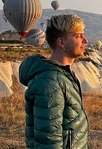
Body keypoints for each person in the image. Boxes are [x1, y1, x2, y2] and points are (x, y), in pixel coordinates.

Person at [19, 14, 89, 148]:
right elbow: (48, 138)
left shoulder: (62, 75)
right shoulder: (50, 81)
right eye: (78, 36)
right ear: (61, 42)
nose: (85, 40)